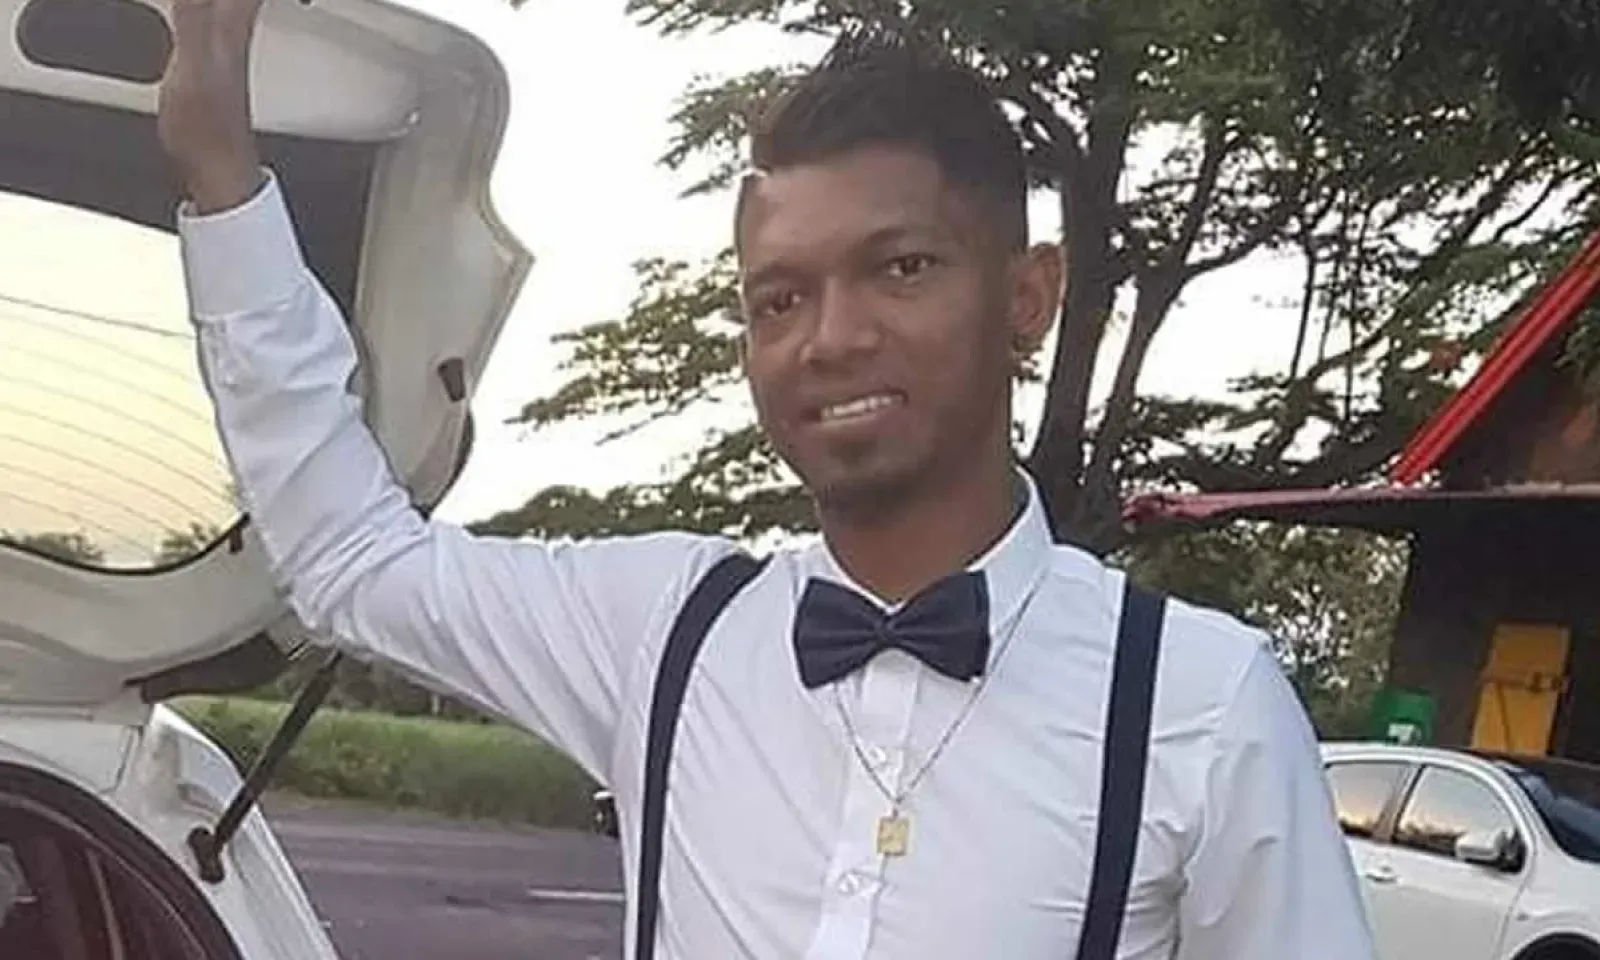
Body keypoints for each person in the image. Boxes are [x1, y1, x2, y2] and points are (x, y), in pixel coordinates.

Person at [157, 1, 1376, 957]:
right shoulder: (668, 632)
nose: (830, 337)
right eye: (778, 299)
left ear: (1027, 296)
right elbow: (351, 556)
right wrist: (223, 179)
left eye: (900, 268)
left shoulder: (1198, 705)